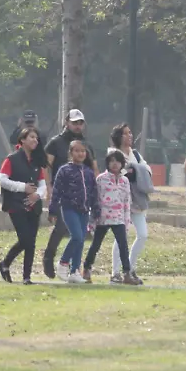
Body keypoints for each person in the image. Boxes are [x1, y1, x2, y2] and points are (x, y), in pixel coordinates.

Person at [41, 109, 96, 278]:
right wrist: (49, 187)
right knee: (61, 227)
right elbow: (45, 166)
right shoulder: (55, 142)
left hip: (81, 196)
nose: (78, 126)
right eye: (75, 122)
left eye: (80, 123)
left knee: (78, 234)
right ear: (67, 122)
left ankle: (73, 269)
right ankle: (50, 257)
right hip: (63, 193)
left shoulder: (85, 144)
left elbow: (93, 168)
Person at [0, 128, 48, 285]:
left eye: (37, 138)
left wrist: (36, 195)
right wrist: (22, 187)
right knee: (25, 239)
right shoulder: (11, 159)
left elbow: (42, 184)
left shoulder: (37, 160)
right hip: (16, 205)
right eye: (32, 137)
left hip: (34, 206)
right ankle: (5, 263)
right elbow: (2, 180)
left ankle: (26, 277)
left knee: (31, 242)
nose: (35, 140)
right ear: (22, 140)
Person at [83, 149, 140, 284]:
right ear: (107, 163)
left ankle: (126, 273)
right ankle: (86, 269)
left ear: (122, 164)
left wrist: (127, 221)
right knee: (96, 245)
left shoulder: (125, 181)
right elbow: (95, 199)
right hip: (103, 218)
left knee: (123, 246)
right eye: (111, 161)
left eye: (118, 161)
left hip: (119, 218)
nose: (115, 164)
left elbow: (127, 201)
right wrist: (92, 220)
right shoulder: (101, 179)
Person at [48, 140, 99, 284]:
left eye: (83, 151)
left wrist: (96, 210)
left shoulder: (88, 172)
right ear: (71, 153)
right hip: (69, 208)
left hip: (84, 210)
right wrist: (52, 210)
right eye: (77, 151)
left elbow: (93, 193)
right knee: (76, 236)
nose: (80, 153)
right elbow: (56, 191)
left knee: (81, 240)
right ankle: (63, 263)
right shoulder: (64, 170)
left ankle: (75, 271)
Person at [110, 123, 153, 284]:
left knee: (142, 235)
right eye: (126, 133)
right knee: (121, 237)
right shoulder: (114, 153)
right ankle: (116, 272)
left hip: (138, 200)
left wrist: (135, 169)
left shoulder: (135, 153)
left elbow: (146, 169)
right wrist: (130, 171)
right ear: (119, 136)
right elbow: (117, 172)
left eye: (130, 133)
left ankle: (130, 268)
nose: (130, 136)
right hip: (120, 200)